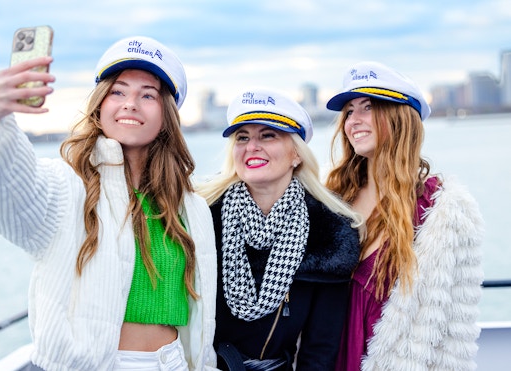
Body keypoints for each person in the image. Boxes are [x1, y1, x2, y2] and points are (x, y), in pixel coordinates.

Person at [0, 35, 218, 370]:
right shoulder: (69, 186)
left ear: (166, 115)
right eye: (118, 91)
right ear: (99, 104)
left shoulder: (188, 206)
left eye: (147, 94)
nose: (130, 103)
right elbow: (10, 195)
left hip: (175, 361)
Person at [325, 61, 484, 370]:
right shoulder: (334, 199)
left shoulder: (443, 211)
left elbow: (454, 334)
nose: (353, 120)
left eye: (367, 107)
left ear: (399, 117)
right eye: (349, 111)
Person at [197, 87, 362, 370]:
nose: (252, 147)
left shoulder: (329, 233)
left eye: (268, 135)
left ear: (296, 154)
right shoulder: (202, 218)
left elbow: (320, 349)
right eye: (242, 137)